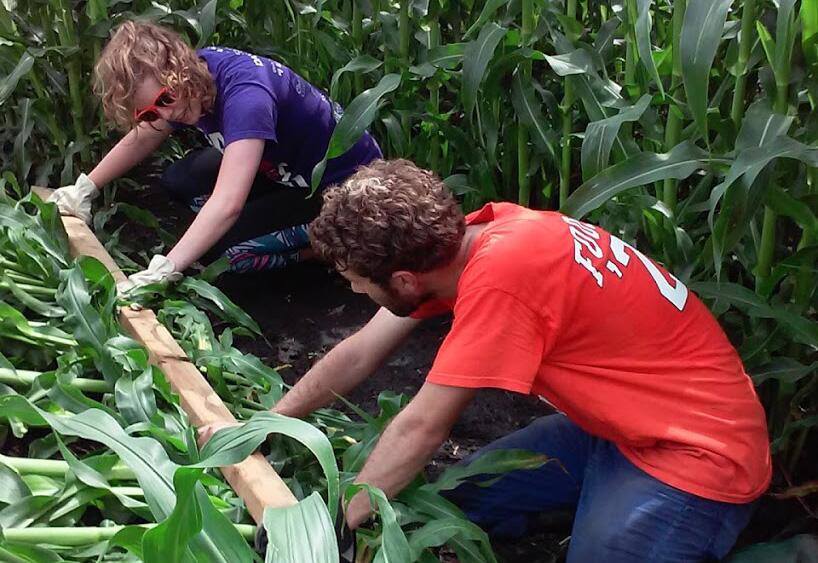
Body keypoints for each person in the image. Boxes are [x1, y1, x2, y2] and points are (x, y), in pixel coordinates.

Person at [199, 159, 771, 561]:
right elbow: (359, 353)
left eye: (357, 284)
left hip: (696, 456)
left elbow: (425, 425)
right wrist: (266, 425)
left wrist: (331, 527)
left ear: (401, 279)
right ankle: (589, 504)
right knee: (456, 499)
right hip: (616, 428)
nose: (354, 294)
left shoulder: (502, 281)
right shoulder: (472, 239)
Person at [48, 21, 381, 289]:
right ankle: (271, 220)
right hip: (284, 167)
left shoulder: (246, 98)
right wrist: (84, 188)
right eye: (148, 113)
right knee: (178, 181)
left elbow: (227, 203)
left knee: (226, 252)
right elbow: (143, 138)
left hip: (340, 186)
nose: (164, 116)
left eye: (164, 100)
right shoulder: (194, 81)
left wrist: (166, 268)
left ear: (179, 69)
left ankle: (326, 248)